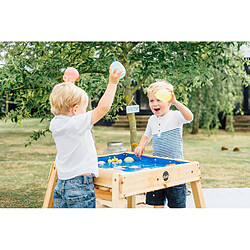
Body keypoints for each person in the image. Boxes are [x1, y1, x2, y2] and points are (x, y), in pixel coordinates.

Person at [49, 66, 123, 208]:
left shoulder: (55, 123)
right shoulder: (77, 123)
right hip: (79, 186)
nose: (86, 112)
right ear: (76, 110)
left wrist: (69, 85)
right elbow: (103, 108)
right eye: (84, 108)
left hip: (62, 183)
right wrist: (113, 83)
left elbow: (65, 102)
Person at [134, 80, 193, 208]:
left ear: (168, 101)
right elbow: (147, 135)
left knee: (177, 204)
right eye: (151, 100)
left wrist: (176, 102)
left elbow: (189, 117)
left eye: (159, 100)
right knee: (157, 202)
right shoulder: (152, 120)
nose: (155, 104)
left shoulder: (175, 116)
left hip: (175, 167)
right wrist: (141, 145)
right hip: (157, 167)